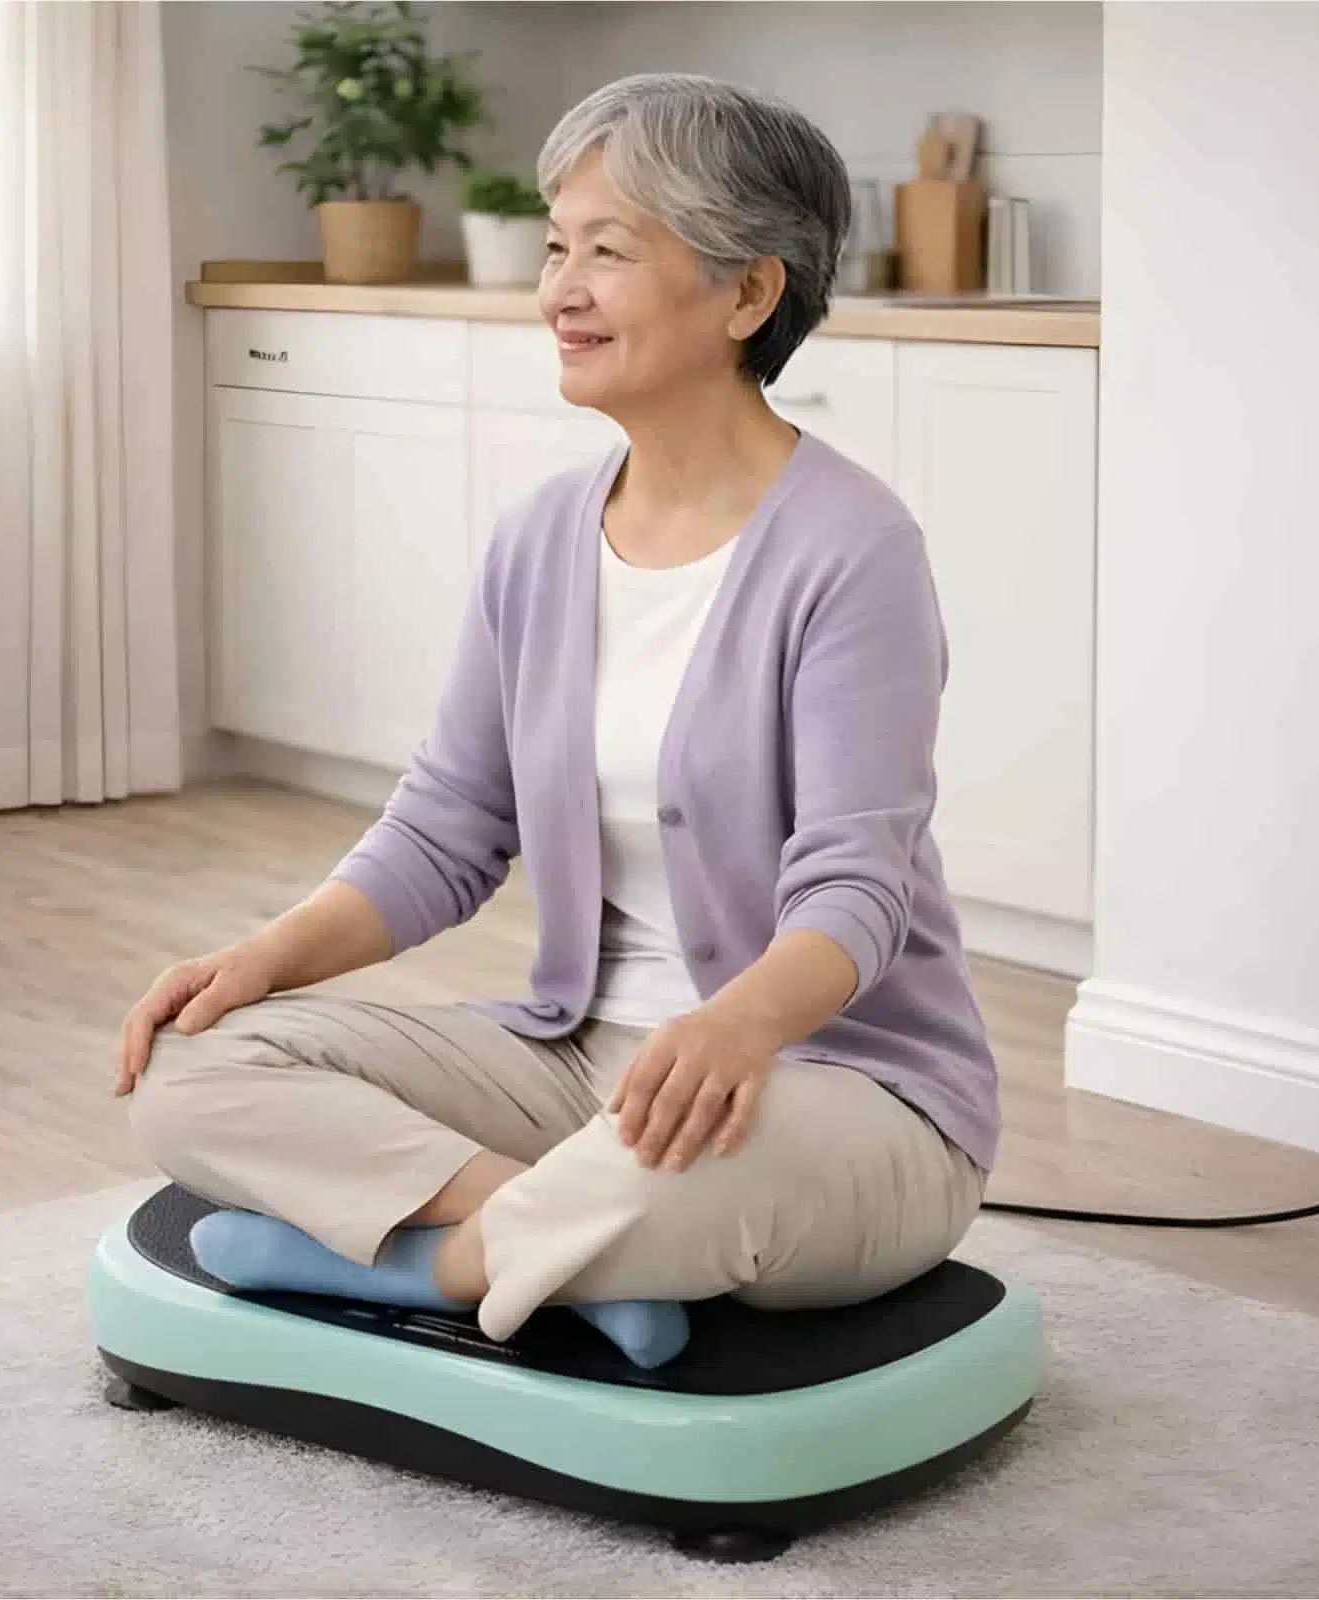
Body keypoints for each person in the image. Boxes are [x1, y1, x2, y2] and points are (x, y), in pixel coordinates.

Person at [116, 73, 999, 1370]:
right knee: (197, 1068)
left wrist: (736, 1027)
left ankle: (433, 1261)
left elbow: (855, 890)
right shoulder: (540, 540)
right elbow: (448, 828)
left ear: (749, 293)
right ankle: (580, 1257)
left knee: (690, 1176)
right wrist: (265, 956)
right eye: (555, 247)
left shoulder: (853, 550)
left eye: (610, 252)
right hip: (575, 1069)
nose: (560, 291)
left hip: (836, 1088)